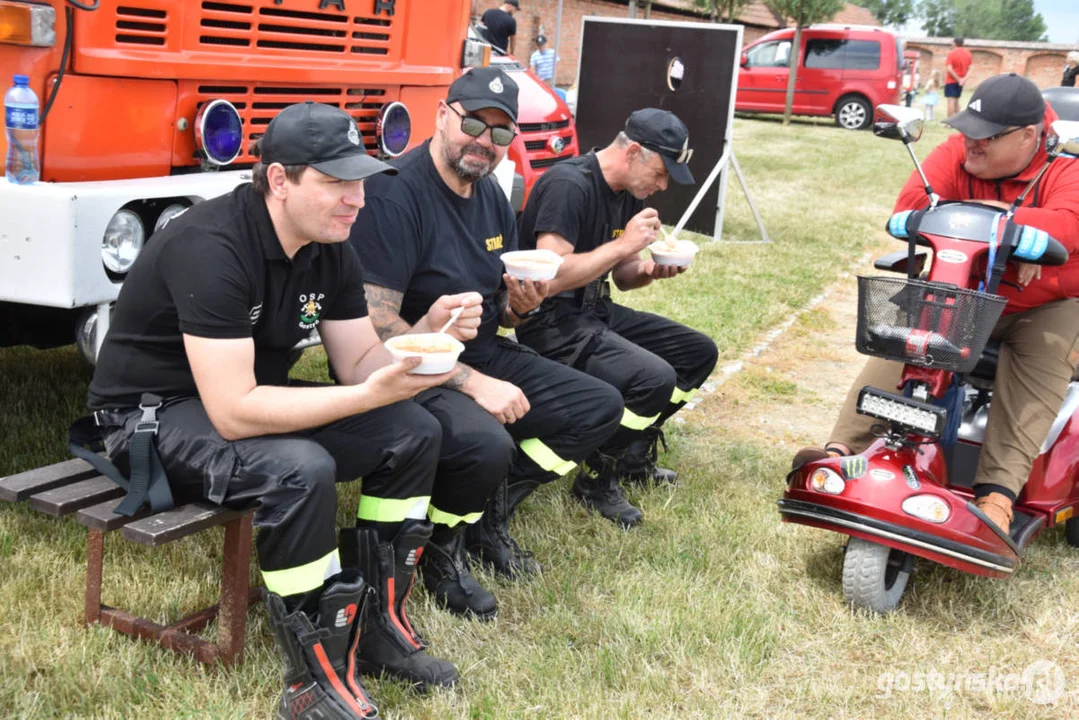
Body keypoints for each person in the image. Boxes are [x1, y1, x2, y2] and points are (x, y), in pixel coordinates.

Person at [86, 102, 483, 717]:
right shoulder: (212, 245)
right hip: (150, 415)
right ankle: (312, 681)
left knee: (412, 429)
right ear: (279, 180)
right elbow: (235, 413)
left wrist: (426, 332)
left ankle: (377, 626)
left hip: (235, 396)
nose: (357, 199)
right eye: (336, 182)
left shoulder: (330, 242)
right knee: (300, 469)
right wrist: (362, 396)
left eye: (360, 181)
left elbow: (358, 363)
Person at [350, 66, 624, 611]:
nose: (485, 142)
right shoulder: (393, 195)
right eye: (474, 124)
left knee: (597, 406)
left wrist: (518, 307)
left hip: (479, 352)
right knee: (486, 443)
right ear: (442, 116)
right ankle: (439, 548)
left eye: (501, 133)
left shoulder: (493, 196)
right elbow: (376, 324)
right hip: (405, 365)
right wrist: (474, 383)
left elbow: (500, 313)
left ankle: (484, 511)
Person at [793, 73, 1079, 535]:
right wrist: (1014, 238)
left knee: (1042, 353)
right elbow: (908, 209)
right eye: (968, 129)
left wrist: (1015, 242)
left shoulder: (1065, 169)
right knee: (905, 336)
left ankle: (998, 496)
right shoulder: (955, 155)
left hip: (1039, 307)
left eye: (987, 135)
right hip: (964, 292)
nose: (971, 142)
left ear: (1029, 137)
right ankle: (840, 453)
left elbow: (1067, 227)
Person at [515, 108, 719, 528]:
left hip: (595, 308)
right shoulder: (569, 185)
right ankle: (595, 478)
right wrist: (623, 243)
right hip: (548, 320)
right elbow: (547, 279)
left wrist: (650, 268)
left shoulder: (630, 192)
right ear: (635, 152)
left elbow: (624, 277)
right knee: (653, 377)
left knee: (698, 353)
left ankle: (630, 455)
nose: (661, 186)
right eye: (661, 173)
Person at [945, 37, 973, 118]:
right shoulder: (968, 53)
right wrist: (963, 79)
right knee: (957, 100)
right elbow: (971, 69)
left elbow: (949, 68)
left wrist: (958, 79)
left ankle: (949, 122)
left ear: (954, 43)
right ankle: (958, 121)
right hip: (961, 81)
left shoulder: (951, 53)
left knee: (951, 100)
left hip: (951, 80)